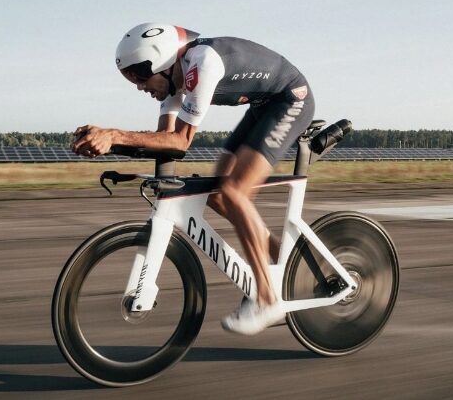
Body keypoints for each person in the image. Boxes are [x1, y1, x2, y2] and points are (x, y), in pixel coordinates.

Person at [72, 23, 315, 335]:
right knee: (218, 195)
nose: (139, 86)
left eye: (140, 77)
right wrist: (107, 143)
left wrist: (115, 134)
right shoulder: (172, 82)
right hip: (263, 107)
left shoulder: (202, 63)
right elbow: (163, 138)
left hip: (290, 99)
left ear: (160, 62)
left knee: (233, 194)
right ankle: (283, 259)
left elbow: (181, 141)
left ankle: (268, 300)